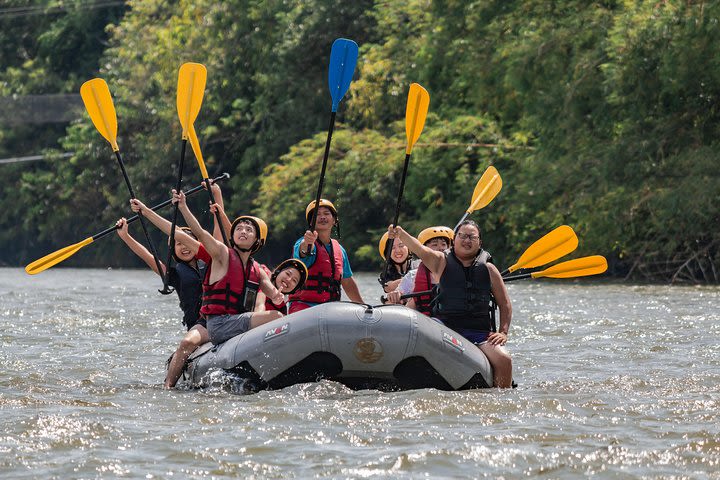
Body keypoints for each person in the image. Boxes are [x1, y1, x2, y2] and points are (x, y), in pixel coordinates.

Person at [123, 182, 230, 388]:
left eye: (185, 242)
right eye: (178, 245)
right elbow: (148, 256)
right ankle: (168, 385)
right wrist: (126, 236)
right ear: (173, 251)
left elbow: (219, 235)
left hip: (223, 317)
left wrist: (217, 194)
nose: (183, 247)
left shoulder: (211, 260)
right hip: (200, 324)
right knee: (187, 343)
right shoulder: (174, 274)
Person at [386, 220, 513, 388]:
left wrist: (503, 332)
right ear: (455, 239)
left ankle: (501, 399)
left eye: (472, 237)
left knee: (504, 360)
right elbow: (421, 249)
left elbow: (505, 304)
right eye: (462, 236)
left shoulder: (489, 269)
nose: (467, 240)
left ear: (479, 242)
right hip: (445, 328)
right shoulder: (440, 262)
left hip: (479, 334)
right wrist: (401, 234)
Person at [174, 188, 285, 345]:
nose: (243, 232)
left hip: (238, 321)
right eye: (239, 229)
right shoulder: (222, 256)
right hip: (215, 322)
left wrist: (277, 296)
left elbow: (268, 295)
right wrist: (184, 207)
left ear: (257, 241)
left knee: (276, 316)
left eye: (249, 230)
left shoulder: (258, 271)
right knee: (187, 343)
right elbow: (206, 232)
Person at [288, 198, 364, 313]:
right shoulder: (304, 243)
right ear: (311, 222)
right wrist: (307, 243)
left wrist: (363, 306)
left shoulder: (340, 250)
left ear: (334, 220)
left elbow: (347, 282)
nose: (322, 217)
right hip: (303, 307)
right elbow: (303, 253)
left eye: (326, 214)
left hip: (330, 309)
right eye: (317, 214)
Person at [387, 226, 456, 314]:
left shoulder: (457, 270)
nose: (441, 248)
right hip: (423, 322)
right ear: (424, 249)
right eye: (435, 244)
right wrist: (395, 294)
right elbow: (400, 292)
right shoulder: (413, 276)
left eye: (443, 244)